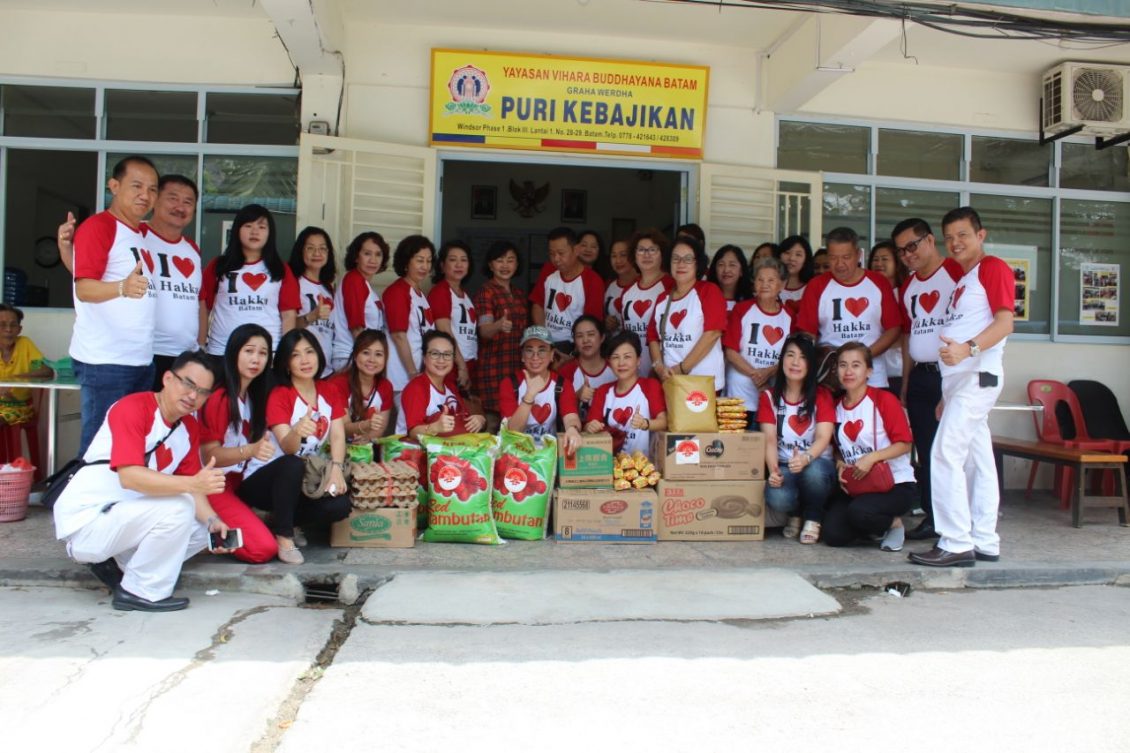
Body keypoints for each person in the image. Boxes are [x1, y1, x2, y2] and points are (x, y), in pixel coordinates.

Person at [52, 350, 230, 612]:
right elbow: (130, 477)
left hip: (125, 517)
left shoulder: (189, 428)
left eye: (202, 392)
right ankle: (141, 591)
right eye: (188, 384)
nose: (193, 396)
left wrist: (213, 521)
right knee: (179, 506)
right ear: (167, 378)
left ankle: (128, 569)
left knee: (204, 530)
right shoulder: (133, 407)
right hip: (89, 521)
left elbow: (191, 485)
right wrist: (193, 484)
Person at [909, 207, 1014, 568]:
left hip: (977, 376)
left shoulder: (992, 267)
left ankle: (955, 542)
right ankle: (984, 539)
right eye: (950, 237)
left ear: (981, 235)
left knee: (944, 453)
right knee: (977, 460)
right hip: (960, 382)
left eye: (963, 235)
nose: (955, 243)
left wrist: (968, 349)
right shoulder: (966, 278)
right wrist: (945, 394)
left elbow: (1005, 323)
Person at [59, 173, 204, 391]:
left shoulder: (192, 249)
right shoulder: (134, 235)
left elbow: (199, 301)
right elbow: (86, 276)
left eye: (188, 202)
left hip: (185, 357)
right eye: (172, 198)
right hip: (146, 353)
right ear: (155, 200)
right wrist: (65, 247)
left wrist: (200, 346)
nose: (180, 207)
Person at [69, 155, 159, 454]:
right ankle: (80, 488)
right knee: (99, 448)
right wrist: (123, 287)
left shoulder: (138, 233)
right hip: (106, 362)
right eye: (137, 186)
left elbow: (83, 269)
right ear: (114, 186)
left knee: (128, 446)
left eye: (152, 189)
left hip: (139, 360)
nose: (145, 195)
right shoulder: (100, 227)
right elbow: (84, 288)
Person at [240, 330, 352, 564]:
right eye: (295, 355)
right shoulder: (280, 395)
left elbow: (338, 435)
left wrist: (336, 468)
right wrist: (297, 432)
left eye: (309, 352)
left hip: (301, 481)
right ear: (286, 363)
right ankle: (285, 538)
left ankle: (277, 519)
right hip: (263, 481)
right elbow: (288, 448)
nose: (305, 360)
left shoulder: (329, 390)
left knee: (340, 505)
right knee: (292, 464)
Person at [892, 218, 962, 542]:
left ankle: (958, 521)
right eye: (901, 250)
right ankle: (934, 518)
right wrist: (906, 382)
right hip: (921, 375)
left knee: (951, 451)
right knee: (926, 449)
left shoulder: (957, 272)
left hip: (952, 374)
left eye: (912, 246)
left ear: (930, 241)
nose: (908, 255)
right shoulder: (908, 287)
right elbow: (908, 336)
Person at [198, 324, 280, 564]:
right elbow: (208, 456)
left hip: (237, 483)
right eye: (249, 351)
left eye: (263, 353)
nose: (256, 359)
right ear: (234, 352)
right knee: (263, 549)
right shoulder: (220, 396)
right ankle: (199, 537)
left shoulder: (253, 396)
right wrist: (251, 450)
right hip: (212, 485)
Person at [823, 342, 917, 551]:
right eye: (843, 365)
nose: (848, 371)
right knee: (833, 535)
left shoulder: (884, 399)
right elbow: (836, 448)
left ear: (869, 371)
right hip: (858, 485)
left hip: (895, 484)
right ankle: (873, 526)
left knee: (860, 512)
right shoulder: (835, 407)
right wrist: (839, 464)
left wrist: (872, 457)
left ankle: (894, 524)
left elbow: (905, 444)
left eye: (856, 365)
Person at [796, 227, 901, 388]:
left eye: (846, 257)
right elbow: (807, 333)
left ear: (858, 255)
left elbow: (893, 328)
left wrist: (863, 356)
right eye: (833, 258)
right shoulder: (816, 286)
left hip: (873, 376)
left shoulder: (879, 282)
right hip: (830, 378)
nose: (839, 264)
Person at [758, 333, 835, 545]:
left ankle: (813, 518)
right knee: (777, 496)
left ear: (810, 364)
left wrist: (806, 458)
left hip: (817, 462)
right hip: (785, 464)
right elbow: (769, 440)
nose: (795, 362)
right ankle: (795, 513)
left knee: (814, 473)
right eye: (790, 355)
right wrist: (774, 471)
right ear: (782, 360)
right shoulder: (769, 397)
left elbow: (823, 437)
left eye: (802, 357)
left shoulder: (822, 395)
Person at [199, 203, 299, 359]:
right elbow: (203, 308)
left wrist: (285, 355)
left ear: (270, 233)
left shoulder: (280, 269)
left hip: (267, 354)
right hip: (222, 352)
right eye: (248, 225)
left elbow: (288, 316)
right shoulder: (219, 265)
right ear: (237, 230)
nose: (255, 232)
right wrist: (200, 345)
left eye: (262, 227)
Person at [648, 236, 727, 392]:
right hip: (671, 382)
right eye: (675, 258)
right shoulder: (662, 298)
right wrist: (659, 368)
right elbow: (652, 337)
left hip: (702, 383)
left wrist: (682, 368)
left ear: (698, 264)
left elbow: (713, 333)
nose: (681, 264)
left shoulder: (708, 291)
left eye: (688, 259)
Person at [724, 258, 792, 422]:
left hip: (771, 396)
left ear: (782, 285)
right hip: (738, 394)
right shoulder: (742, 309)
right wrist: (757, 376)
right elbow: (730, 352)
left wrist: (770, 371)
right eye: (760, 280)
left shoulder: (790, 316)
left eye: (771, 280)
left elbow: (791, 355)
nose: (764, 284)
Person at [473, 241, 528, 433]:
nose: (505, 265)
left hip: (517, 367)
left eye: (510, 260)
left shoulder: (519, 294)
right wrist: (498, 325)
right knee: (493, 423)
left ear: (517, 264)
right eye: (499, 260)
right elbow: (484, 330)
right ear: (490, 265)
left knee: (515, 422)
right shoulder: (486, 292)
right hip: (493, 369)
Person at [500, 326, 583, 451]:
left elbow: (571, 416)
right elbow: (512, 432)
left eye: (542, 350)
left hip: (548, 454)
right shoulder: (510, 384)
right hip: (515, 453)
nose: (535, 357)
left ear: (552, 355)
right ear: (522, 356)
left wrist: (572, 429)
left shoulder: (562, 384)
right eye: (529, 351)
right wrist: (530, 395)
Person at [585, 331, 667, 456]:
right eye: (615, 357)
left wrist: (645, 424)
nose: (621, 363)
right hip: (609, 463)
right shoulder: (603, 391)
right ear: (609, 362)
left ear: (638, 360)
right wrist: (591, 427)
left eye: (627, 357)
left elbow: (663, 422)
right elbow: (589, 425)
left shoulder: (650, 386)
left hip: (644, 464)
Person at [529, 226, 604, 357]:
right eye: (552, 253)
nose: (556, 259)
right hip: (547, 344)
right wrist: (545, 340)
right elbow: (538, 304)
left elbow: (592, 325)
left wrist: (572, 355)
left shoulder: (593, 281)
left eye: (561, 253)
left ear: (576, 250)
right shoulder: (548, 269)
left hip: (575, 348)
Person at [383, 235, 436, 417]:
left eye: (428, 261)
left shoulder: (420, 293)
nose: (425, 266)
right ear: (406, 262)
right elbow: (399, 335)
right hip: (402, 374)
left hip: (417, 374)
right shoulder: (398, 292)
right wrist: (413, 372)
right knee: (409, 424)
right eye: (419, 260)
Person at [399, 330, 486, 440]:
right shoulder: (416, 388)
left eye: (447, 354)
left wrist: (480, 420)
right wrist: (434, 428)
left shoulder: (450, 386)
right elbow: (413, 432)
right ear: (424, 358)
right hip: (413, 449)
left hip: (447, 448)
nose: (441, 360)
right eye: (435, 354)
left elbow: (465, 420)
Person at [329, 231, 389, 372]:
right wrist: (371, 359)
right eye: (367, 254)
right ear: (356, 257)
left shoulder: (364, 284)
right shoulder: (354, 280)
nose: (373, 260)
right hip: (352, 357)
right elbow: (356, 328)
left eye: (378, 254)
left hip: (362, 356)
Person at [617, 229, 673, 378]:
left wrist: (659, 368)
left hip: (664, 371)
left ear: (662, 254)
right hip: (632, 372)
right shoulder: (627, 291)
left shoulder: (671, 286)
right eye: (641, 250)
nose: (646, 255)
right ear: (634, 255)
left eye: (652, 250)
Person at [328, 329, 392, 448]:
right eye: (366, 352)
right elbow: (342, 428)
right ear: (355, 355)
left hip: (364, 450)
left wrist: (367, 438)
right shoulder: (338, 384)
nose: (372, 359)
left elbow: (380, 428)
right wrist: (366, 425)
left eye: (378, 354)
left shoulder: (385, 386)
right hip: (334, 447)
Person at [428, 240, 478, 394]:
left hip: (468, 363)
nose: (459, 264)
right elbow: (445, 332)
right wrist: (461, 366)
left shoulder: (464, 294)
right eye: (452, 259)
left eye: (464, 260)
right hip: (451, 364)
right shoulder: (440, 292)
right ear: (442, 266)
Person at [288, 226, 337, 377]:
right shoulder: (293, 282)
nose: (317, 253)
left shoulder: (328, 288)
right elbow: (287, 325)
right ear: (301, 251)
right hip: (303, 367)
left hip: (327, 369)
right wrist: (312, 316)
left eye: (322, 248)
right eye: (310, 248)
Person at [0, 304, 52, 427]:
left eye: (13, 325)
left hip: (20, 406)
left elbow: (47, 371)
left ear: (19, 329)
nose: (8, 330)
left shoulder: (25, 344)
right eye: (2, 325)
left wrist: (14, 380)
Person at [868, 240, 908, 396]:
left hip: (897, 369)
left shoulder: (905, 293)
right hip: (871, 372)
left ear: (897, 263)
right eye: (875, 259)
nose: (879, 264)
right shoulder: (866, 294)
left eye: (885, 259)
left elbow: (903, 333)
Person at [558, 315, 615, 423]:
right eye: (579, 336)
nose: (585, 340)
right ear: (574, 340)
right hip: (575, 432)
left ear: (602, 337)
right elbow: (557, 411)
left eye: (591, 334)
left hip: (609, 432)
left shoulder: (615, 369)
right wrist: (576, 396)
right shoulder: (567, 371)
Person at [603, 237, 637, 332]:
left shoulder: (643, 284)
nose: (618, 261)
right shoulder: (609, 286)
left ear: (633, 256)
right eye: (614, 256)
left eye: (623, 255)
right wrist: (607, 322)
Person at [776, 235, 815, 319]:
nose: (792, 258)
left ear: (806, 260)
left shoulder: (813, 288)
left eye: (798, 254)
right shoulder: (770, 285)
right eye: (787, 253)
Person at [707, 244, 752, 312]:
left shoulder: (750, 303)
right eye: (721, 264)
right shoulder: (705, 299)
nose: (726, 270)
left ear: (741, 271)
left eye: (732, 265)